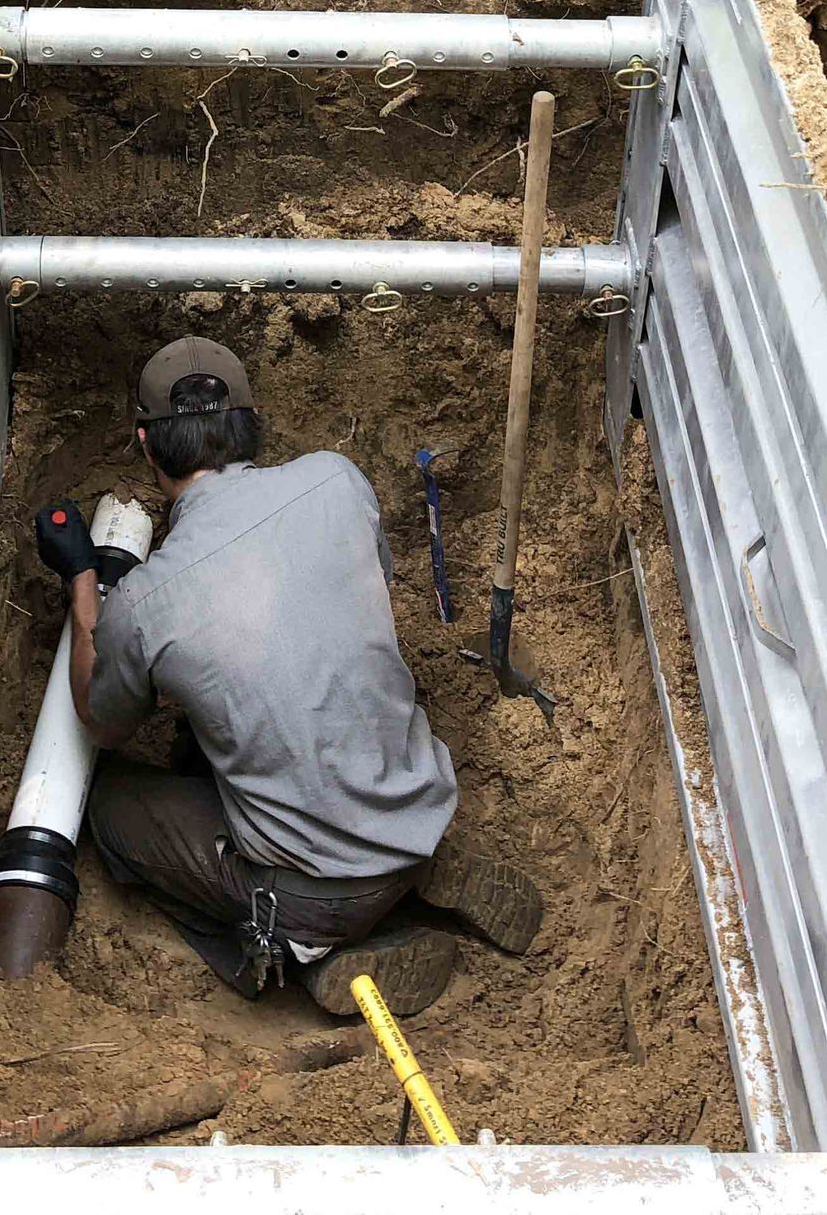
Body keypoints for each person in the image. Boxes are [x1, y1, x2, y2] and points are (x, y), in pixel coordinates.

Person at [33, 335, 543, 1015]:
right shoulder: (337, 479)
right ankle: (420, 868)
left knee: (112, 812)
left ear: (145, 444)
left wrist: (82, 580)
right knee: (222, 728)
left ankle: (304, 953)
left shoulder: (146, 602)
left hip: (314, 891)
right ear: (252, 423)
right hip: (414, 804)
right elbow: (367, 586)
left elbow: (102, 721)